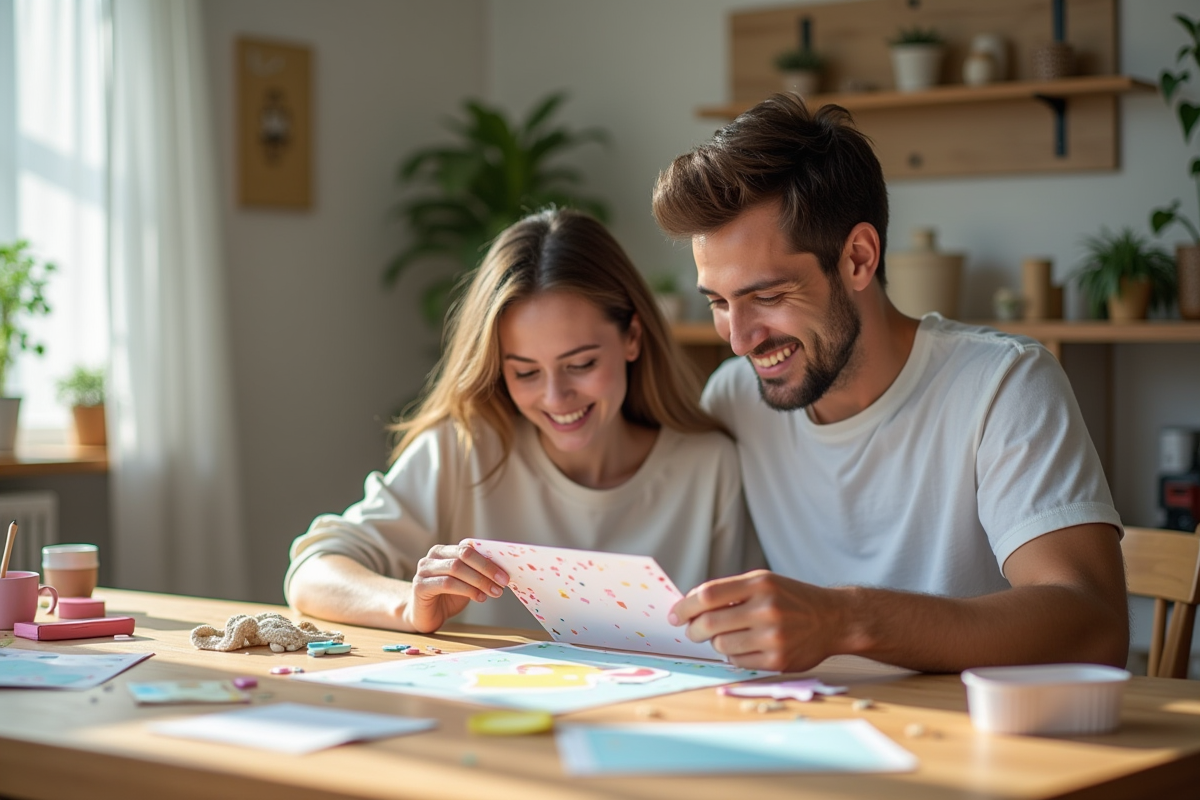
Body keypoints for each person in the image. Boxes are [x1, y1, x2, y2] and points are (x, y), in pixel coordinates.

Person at [652, 94, 1128, 674]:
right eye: (719, 303)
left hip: (976, 746)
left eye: (768, 297)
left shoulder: (1001, 384)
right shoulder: (734, 399)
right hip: (808, 736)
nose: (740, 339)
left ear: (857, 258)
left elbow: (1095, 624)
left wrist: (845, 621)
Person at [286, 208, 759, 633]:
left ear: (631, 337)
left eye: (581, 364)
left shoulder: (710, 467)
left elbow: (747, 630)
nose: (555, 397)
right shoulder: (463, 450)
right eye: (526, 372)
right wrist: (407, 605)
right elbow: (313, 570)